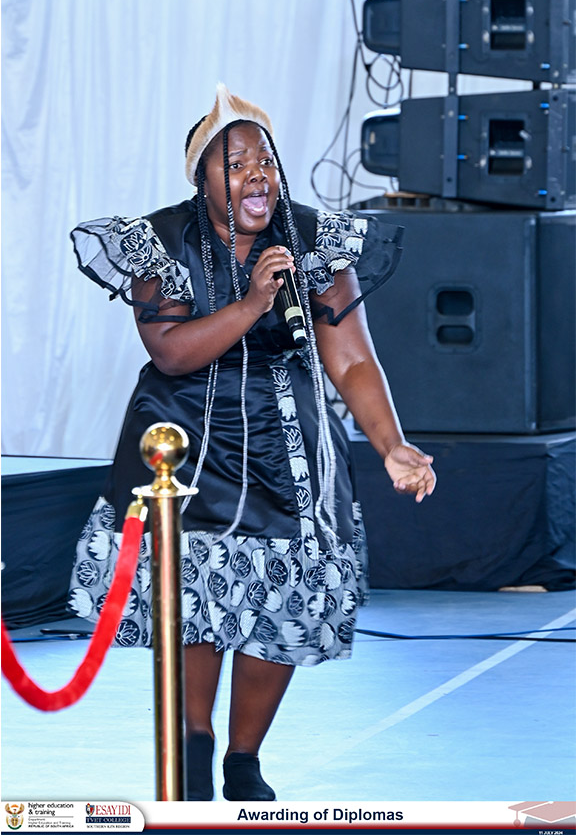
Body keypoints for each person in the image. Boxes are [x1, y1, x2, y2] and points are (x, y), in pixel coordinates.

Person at [67, 84, 436, 802]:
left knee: (282, 595)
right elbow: (172, 351)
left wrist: (390, 443)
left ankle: (243, 758)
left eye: (264, 160)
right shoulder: (161, 240)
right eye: (235, 164)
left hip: (285, 440)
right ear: (202, 178)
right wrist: (253, 302)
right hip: (186, 439)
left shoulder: (311, 238)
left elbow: (351, 359)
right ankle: (194, 741)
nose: (256, 175)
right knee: (194, 592)